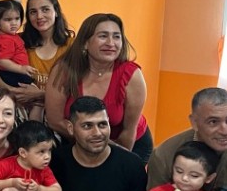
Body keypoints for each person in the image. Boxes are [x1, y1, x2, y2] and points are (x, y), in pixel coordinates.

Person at [45, 12, 152, 163]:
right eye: (103, 36)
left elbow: (129, 130)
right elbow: (54, 120)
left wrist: (115, 157)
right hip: (78, 142)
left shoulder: (132, 74)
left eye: (116, 37)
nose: (111, 43)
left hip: (129, 144)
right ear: (85, 43)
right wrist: (92, 141)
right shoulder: (64, 70)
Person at [0, 0, 73, 120]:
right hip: (22, 114)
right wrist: (12, 91)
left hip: (60, 116)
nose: (39, 16)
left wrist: (40, 94)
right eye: (33, 12)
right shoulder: (19, 40)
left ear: (56, 11)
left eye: (45, 9)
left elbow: (80, 89)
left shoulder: (72, 46)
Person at [0, 0, 38, 87]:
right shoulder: (6, 40)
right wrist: (21, 68)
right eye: (8, 20)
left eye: (17, 18)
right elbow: (2, 61)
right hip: (13, 73)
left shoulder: (9, 36)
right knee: (33, 90)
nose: (14, 23)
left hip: (14, 72)